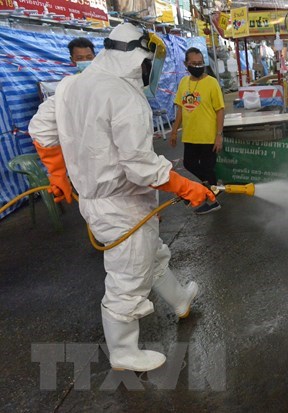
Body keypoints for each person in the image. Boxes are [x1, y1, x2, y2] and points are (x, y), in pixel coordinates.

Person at [28, 23, 215, 372]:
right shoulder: (126, 97)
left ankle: (180, 300)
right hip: (120, 202)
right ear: (135, 59)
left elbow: (40, 128)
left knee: (151, 254)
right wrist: (187, 187)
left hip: (97, 200)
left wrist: (57, 172)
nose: (151, 72)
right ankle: (124, 351)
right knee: (127, 279)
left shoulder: (71, 86)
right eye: (149, 62)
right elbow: (141, 166)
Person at [169, 47, 225, 215]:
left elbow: (220, 110)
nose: (197, 66)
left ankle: (213, 199)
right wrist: (173, 132)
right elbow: (180, 109)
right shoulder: (183, 83)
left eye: (200, 63)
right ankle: (212, 187)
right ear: (186, 64)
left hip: (208, 136)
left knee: (208, 168)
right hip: (190, 135)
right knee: (189, 163)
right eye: (194, 63)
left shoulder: (211, 83)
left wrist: (219, 135)